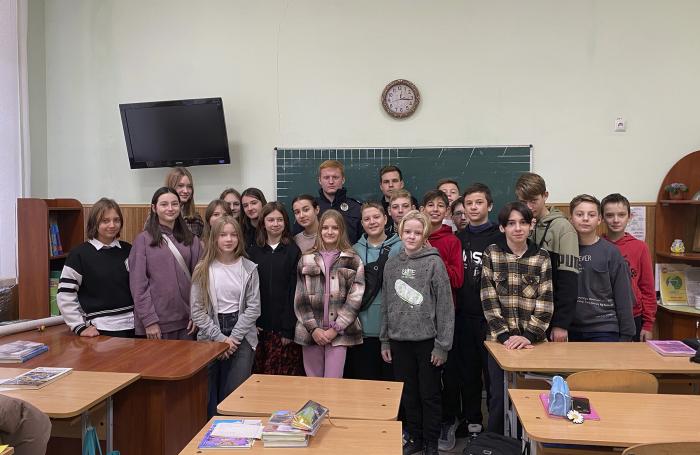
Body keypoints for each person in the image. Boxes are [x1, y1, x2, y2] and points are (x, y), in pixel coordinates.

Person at [380, 210, 454, 455]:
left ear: (425, 235)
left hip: (427, 343)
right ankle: (415, 437)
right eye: (407, 232)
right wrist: (385, 340)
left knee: (429, 394)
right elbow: (386, 303)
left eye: (417, 232)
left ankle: (431, 442)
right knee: (408, 393)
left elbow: (445, 306)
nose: (412, 236)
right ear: (400, 232)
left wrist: (442, 346)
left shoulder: (434, 263)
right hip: (399, 341)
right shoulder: (392, 264)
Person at [481, 201, 553, 435]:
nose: (518, 228)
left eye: (523, 222)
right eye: (511, 223)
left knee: (532, 397)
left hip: (533, 342)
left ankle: (530, 443)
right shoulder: (492, 253)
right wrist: (505, 337)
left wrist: (528, 336)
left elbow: (545, 302)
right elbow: (488, 298)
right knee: (498, 397)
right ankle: (496, 443)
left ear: (531, 225)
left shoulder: (541, 257)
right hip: (499, 341)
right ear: (502, 227)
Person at [440, 183, 503, 449]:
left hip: (491, 318)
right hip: (463, 316)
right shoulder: (459, 238)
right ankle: (473, 423)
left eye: (479, 203)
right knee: (468, 373)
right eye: (469, 204)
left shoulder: (499, 237)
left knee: (493, 377)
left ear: (489, 205)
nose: (474, 208)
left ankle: (497, 431)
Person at [191, 215, 261, 417]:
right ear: (214, 238)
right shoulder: (203, 268)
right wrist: (221, 339)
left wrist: (233, 339)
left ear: (239, 238)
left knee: (235, 394)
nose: (228, 239)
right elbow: (197, 310)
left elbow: (254, 308)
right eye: (223, 235)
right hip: (211, 332)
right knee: (207, 394)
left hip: (241, 333)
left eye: (233, 235)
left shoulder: (249, 268)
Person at [293, 209, 365, 378]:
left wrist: (336, 328)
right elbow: (300, 297)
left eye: (335, 228)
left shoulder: (353, 259)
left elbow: (355, 298)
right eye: (325, 228)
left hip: (339, 334)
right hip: (311, 332)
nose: (330, 232)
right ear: (320, 230)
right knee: (313, 383)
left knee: (333, 383)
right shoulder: (306, 258)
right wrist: (313, 329)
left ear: (342, 231)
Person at [129, 187, 202, 340]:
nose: (170, 208)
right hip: (156, 324)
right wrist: (149, 320)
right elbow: (138, 285)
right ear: (154, 208)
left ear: (180, 207)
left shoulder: (192, 240)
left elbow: (200, 281)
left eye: (174, 204)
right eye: (164, 204)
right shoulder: (143, 240)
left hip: (187, 322)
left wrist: (197, 314)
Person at [57, 198, 135, 337]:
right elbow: (65, 294)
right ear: (94, 223)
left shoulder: (129, 250)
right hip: (101, 330)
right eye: (105, 221)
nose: (112, 225)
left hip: (135, 326)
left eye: (116, 220)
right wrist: (79, 327)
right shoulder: (79, 254)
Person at [515, 172, 579, 342]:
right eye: (523, 202)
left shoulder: (563, 228)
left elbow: (568, 280)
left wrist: (561, 324)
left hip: (552, 318)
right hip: (525, 317)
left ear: (545, 195)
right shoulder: (520, 226)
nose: (528, 207)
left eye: (533, 201)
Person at [346, 202, 402, 380]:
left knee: (391, 384)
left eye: (376, 217)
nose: (372, 222)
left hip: (393, 330)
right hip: (363, 330)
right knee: (366, 383)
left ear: (385, 219)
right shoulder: (354, 251)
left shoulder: (401, 247)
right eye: (367, 219)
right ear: (362, 223)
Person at [568, 194, 635, 342]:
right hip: (570, 328)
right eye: (580, 214)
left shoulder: (611, 252)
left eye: (591, 215)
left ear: (599, 219)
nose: (585, 218)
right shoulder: (563, 251)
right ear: (571, 219)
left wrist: (627, 335)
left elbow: (623, 296)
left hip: (604, 328)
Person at [248, 202, 304, 376]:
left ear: (285, 222)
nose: (275, 224)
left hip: (283, 330)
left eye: (280, 220)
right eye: (270, 220)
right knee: (258, 377)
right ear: (263, 223)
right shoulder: (253, 252)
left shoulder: (293, 251)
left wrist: (288, 329)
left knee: (281, 378)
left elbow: (294, 291)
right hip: (259, 328)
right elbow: (248, 291)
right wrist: (252, 322)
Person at [601, 193, 656, 341]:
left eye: (621, 215)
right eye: (610, 215)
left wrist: (648, 325)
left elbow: (647, 288)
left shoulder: (640, 247)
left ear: (629, 216)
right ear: (602, 218)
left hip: (633, 315)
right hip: (602, 316)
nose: (616, 220)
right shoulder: (597, 245)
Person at [422, 190, 464, 299]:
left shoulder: (452, 241)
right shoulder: (415, 238)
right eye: (430, 205)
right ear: (422, 210)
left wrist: (434, 255)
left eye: (440, 206)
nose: (435, 209)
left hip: (443, 303)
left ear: (447, 211)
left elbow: (457, 281)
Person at [314, 160, 363, 243]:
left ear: (343, 180)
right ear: (320, 180)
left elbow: (364, 240)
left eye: (335, 177)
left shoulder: (356, 208)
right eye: (326, 177)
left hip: (350, 251)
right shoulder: (311, 207)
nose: (331, 182)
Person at [165, 167, 204, 237]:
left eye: (189, 186)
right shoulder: (157, 215)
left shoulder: (195, 218)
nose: (186, 191)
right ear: (170, 187)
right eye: (180, 186)